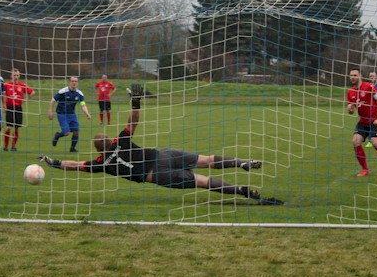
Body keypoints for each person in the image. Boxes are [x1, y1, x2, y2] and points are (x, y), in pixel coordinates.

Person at [38, 85, 283, 204]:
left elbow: (75, 165)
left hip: (158, 174)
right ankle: (243, 163)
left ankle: (243, 191)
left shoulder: (101, 164)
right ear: (110, 140)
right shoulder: (120, 141)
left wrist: (55, 162)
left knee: (202, 182)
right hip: (165, 155)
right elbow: (132, 122)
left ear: (97, 151)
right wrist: (136, 101)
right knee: (207, 160)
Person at [346, 68, 377, 177]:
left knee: (375, 142)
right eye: (351, 75)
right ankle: (365, 170)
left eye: (355, 75)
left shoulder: (369, 87)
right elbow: (351, 110)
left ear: (360, 76)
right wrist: (350, 109)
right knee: (355, 141)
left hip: (374, 120)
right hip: (363, 121)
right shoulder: (351, 92)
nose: (352, 77)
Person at [49, 76, 92, 152]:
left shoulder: (79, 94)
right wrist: (50, 111)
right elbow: (53, 100)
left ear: (77, 83)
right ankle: (57, 135)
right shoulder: (63, 92)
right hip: (61, 114)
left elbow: (83, 105)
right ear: (69, 82)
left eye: (76, 81)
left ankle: (72, 148)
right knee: (67, 132)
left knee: (76, 132)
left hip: (71, 114)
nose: (74, 83)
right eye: (72, 81)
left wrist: (87, 113)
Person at [4, 68, 35, 151]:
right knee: (8, 127)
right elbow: (2, 94)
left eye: (17, 75)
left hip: (18, 108)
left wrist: (26, 99)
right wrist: (4, 105)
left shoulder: (22, 85)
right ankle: (6, 146)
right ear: (11, 75)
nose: (16, 77)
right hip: (10, 108)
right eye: (14, 75)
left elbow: (32, 92)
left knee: (16, 127)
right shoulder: (6, 85)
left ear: (19, 76)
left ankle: (13, 146)